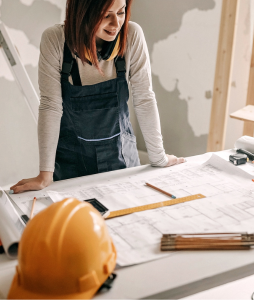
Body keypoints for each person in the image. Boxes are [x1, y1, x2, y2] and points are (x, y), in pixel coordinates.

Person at [10, 0, 184, 194]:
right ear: (82, 13)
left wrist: (158, 157)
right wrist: (45, 175)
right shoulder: (55, 39)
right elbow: (50, 106)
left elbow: (144, 98)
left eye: (121, 12)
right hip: (71, 166)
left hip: (122, 161)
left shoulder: (132, 35)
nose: (116, 24)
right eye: (106, 15)